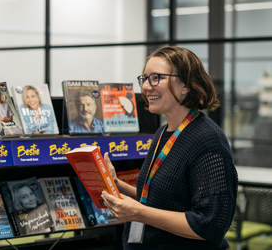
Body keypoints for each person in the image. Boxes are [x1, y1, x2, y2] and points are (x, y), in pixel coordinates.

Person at [102, 46, 238, 250]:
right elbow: (159, 198)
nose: (147, 87)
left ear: (186, 85)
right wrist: (117, 184)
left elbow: (209, 224)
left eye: (156, 77)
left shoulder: (207, 139)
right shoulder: (162, 133)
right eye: (145, 78)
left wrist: (139, 212)